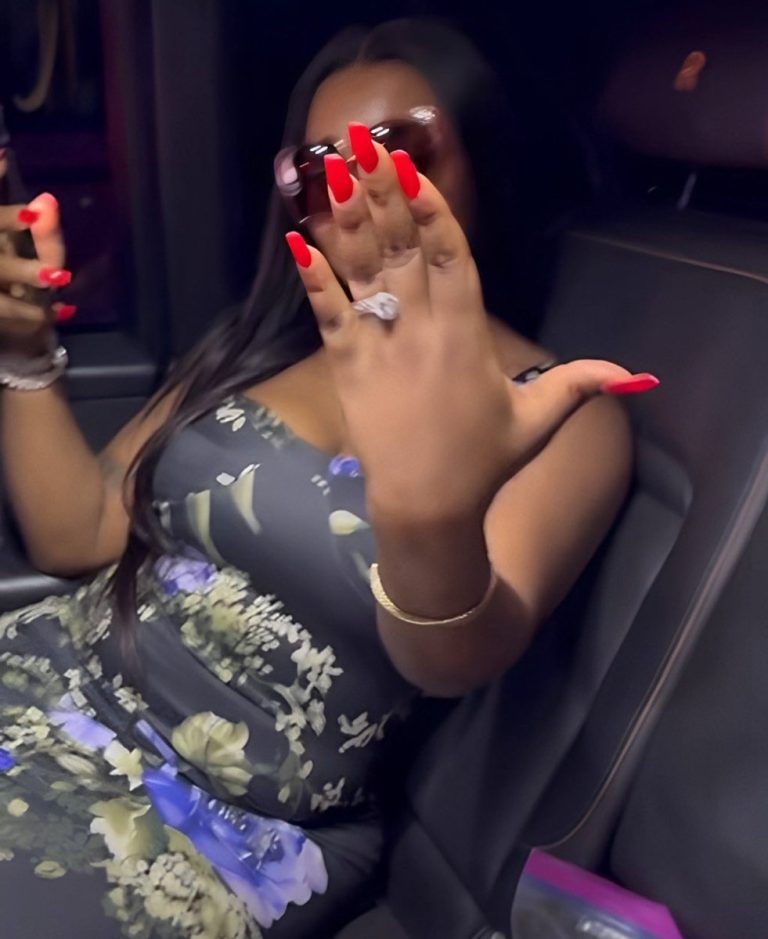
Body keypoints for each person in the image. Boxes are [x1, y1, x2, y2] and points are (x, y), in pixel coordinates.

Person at [0, 18, 656, 939]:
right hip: (45, 683)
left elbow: (456, 655)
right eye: (319, 172)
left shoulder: (560, 412)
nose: (357, 196)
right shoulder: (256, 343)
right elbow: (76, 530)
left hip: (217, 826)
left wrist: (426, 508)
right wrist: (25, 352)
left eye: (398, 152)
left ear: (482, 163)